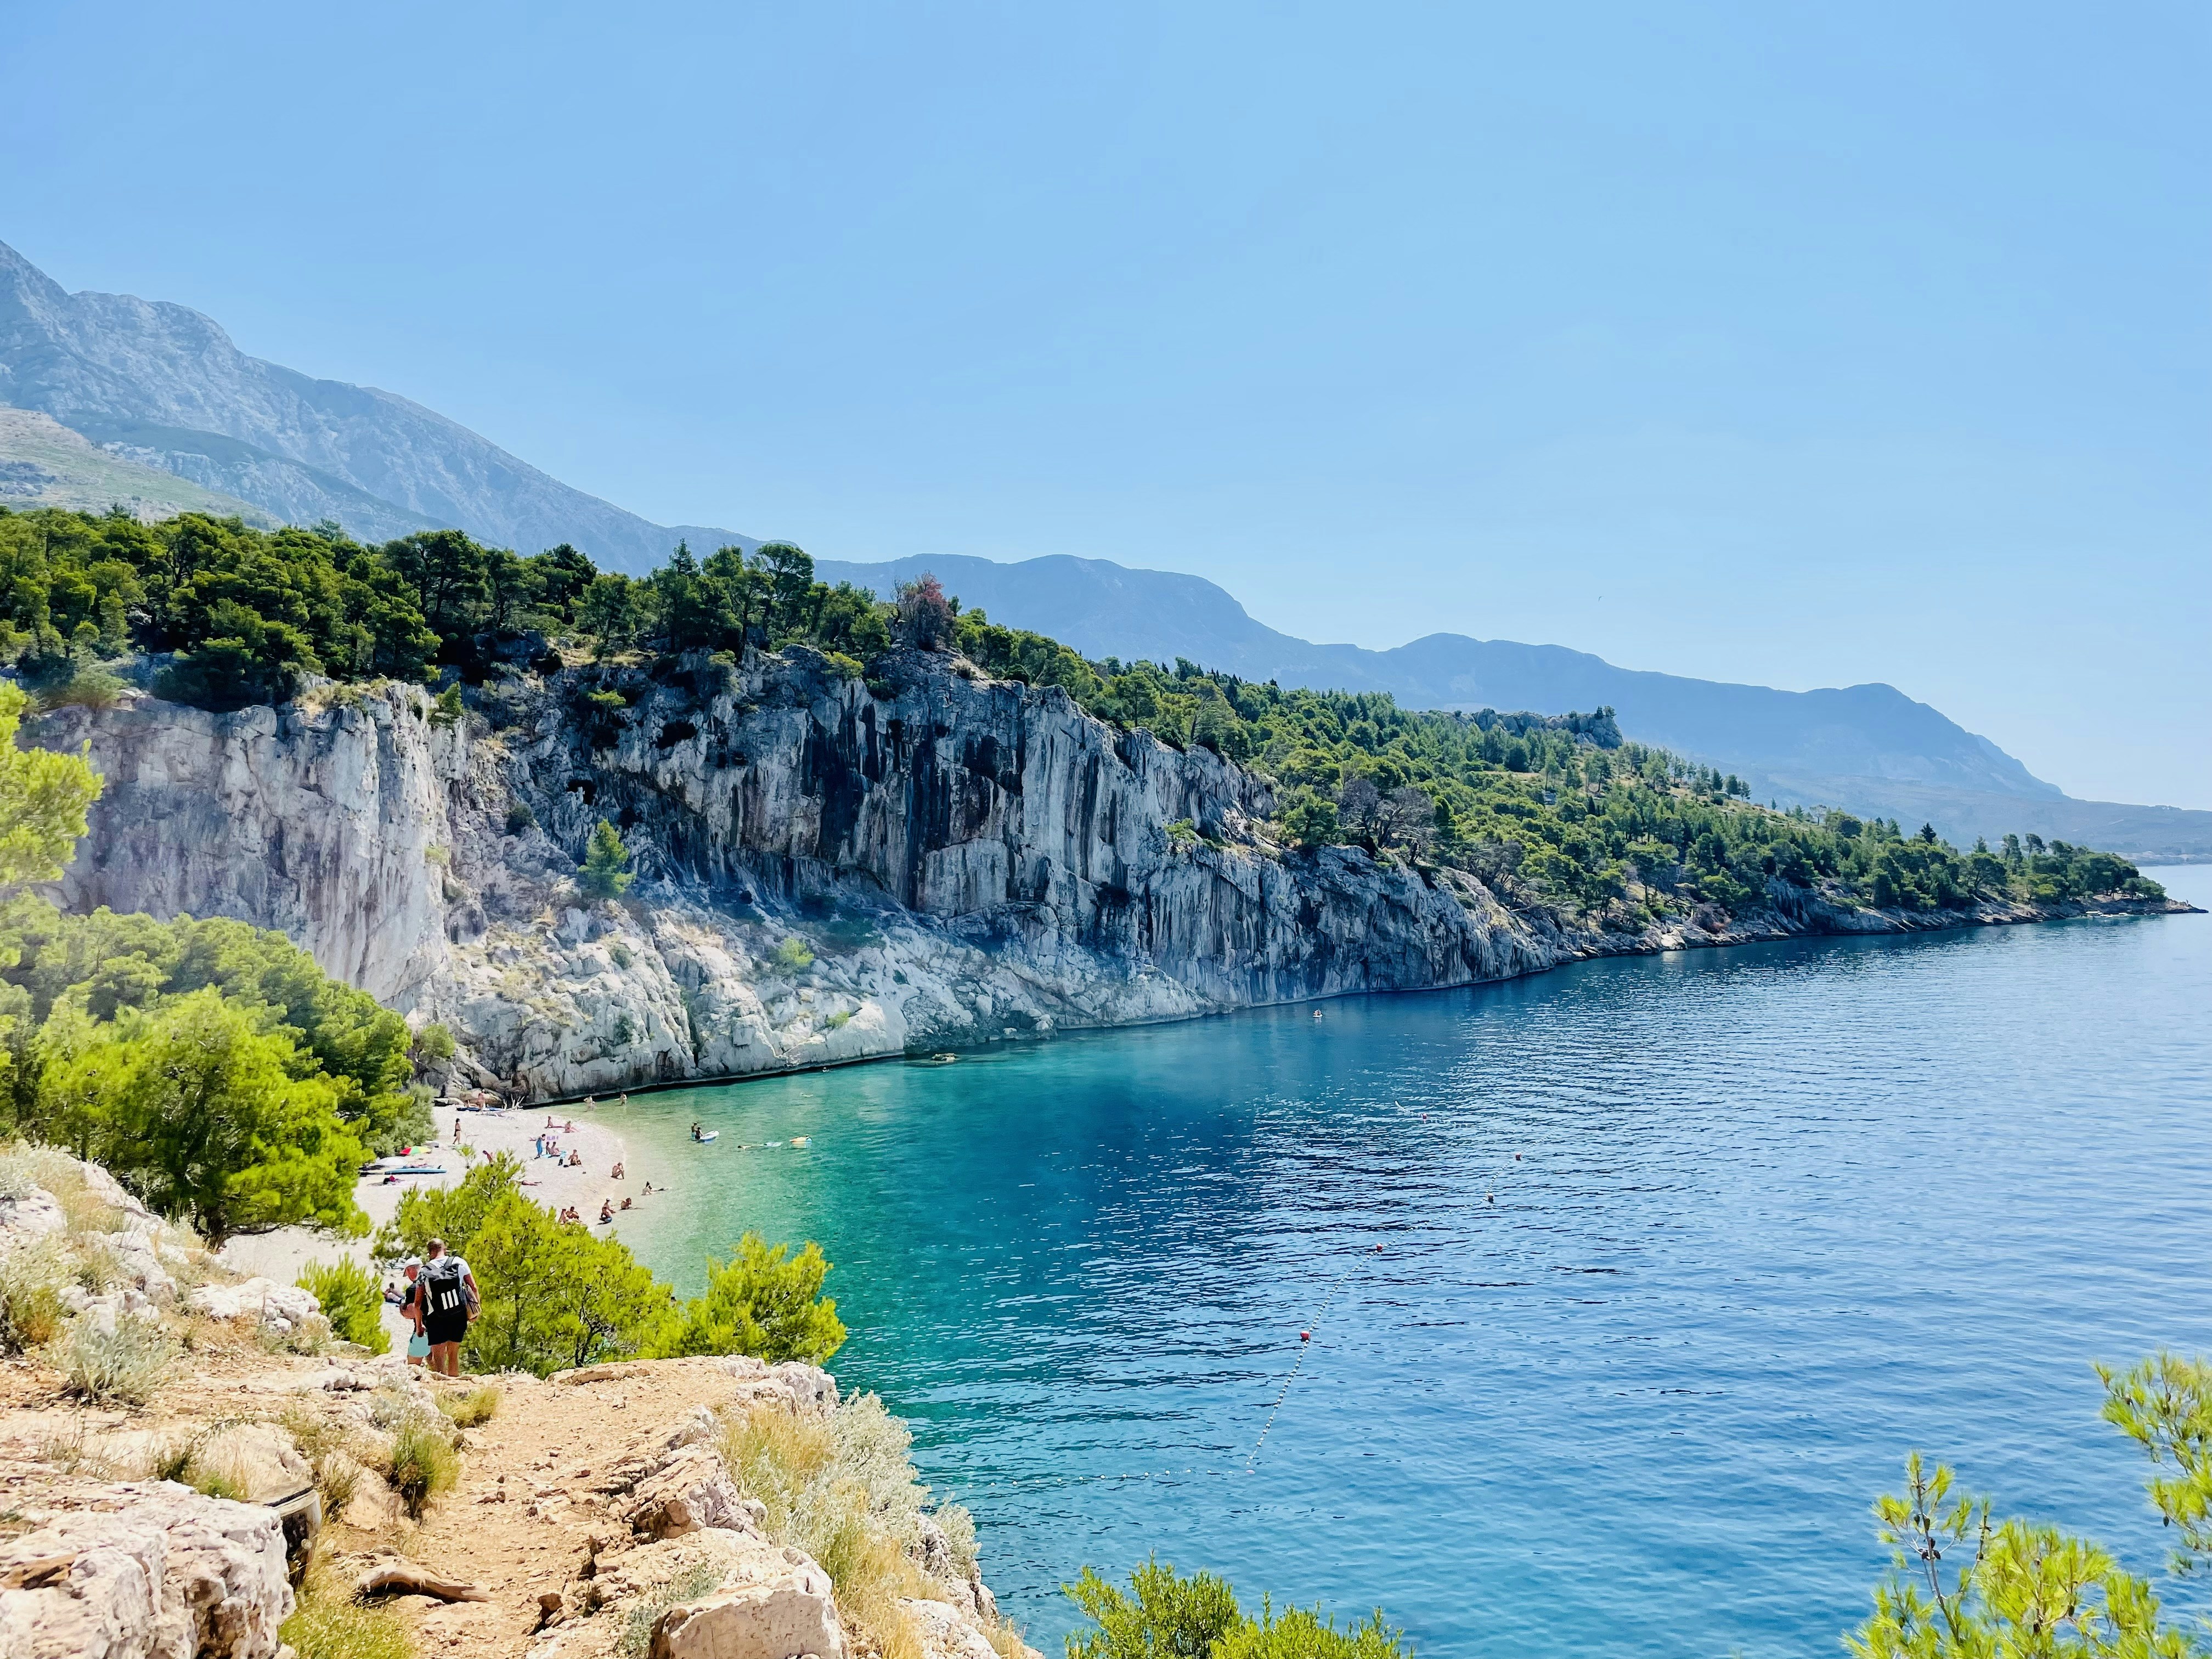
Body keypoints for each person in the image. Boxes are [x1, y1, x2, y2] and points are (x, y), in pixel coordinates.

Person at [417, 1238, 478, 1378]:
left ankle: (442, 1387)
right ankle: (454, 1383)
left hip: (435, 1316)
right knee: (453, 1352)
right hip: (458, 1313)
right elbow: (473, 1287)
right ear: (444, 1249)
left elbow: (418, 1303)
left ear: (430, 1253)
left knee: (439, 1354)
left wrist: (419, 1326)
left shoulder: (424, 1271)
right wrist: (476, 1311)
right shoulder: (460, 1262)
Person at [388, 1260, 429, 1368]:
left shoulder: (413, 1288)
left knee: (413, 1366)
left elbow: (410, 1313)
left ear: (410, 1270)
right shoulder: (433, 1282)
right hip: (441, 1330)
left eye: (407, 1273)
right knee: (436, 1364)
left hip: (422, 1331)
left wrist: (402, 1308)